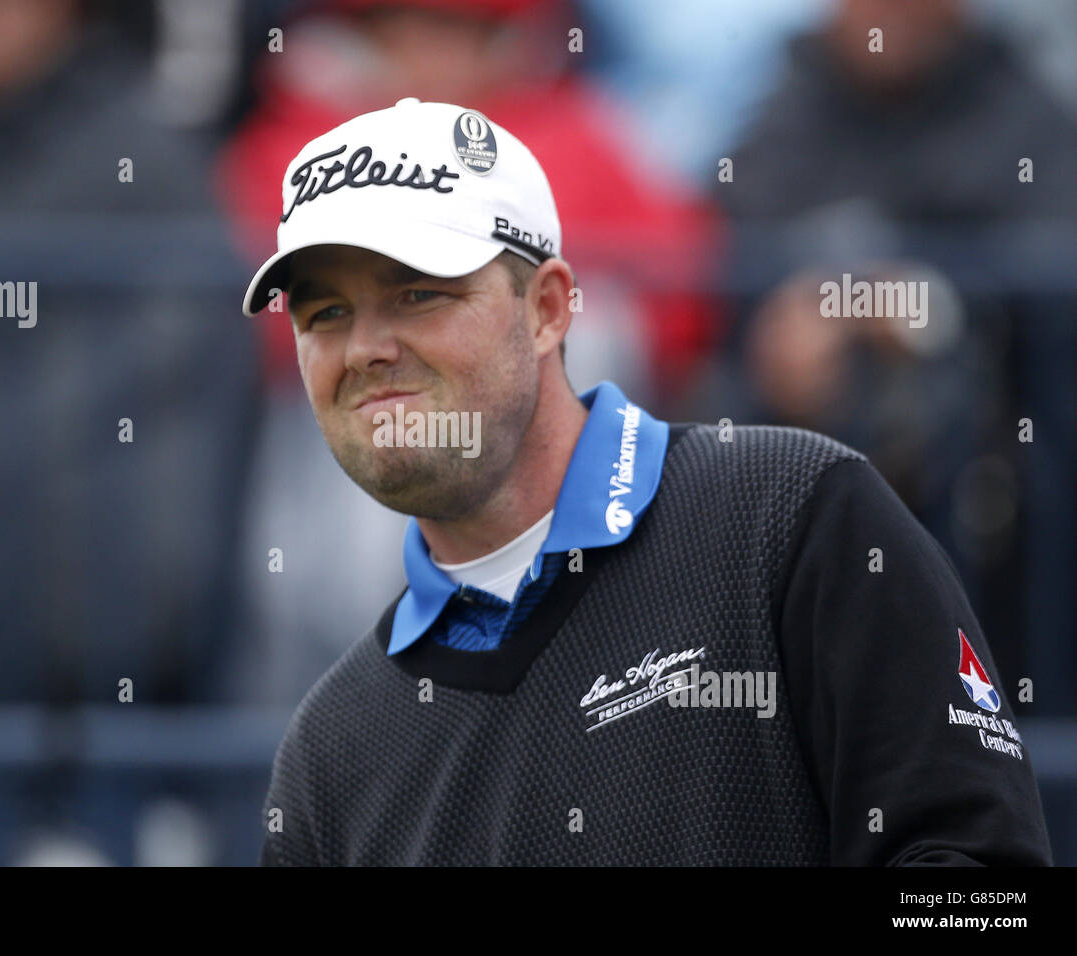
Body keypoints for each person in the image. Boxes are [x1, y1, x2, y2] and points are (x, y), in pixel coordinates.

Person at [244, 98, 1051, 866]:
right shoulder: (328, 756)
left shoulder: (795, 517)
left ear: (549, 309)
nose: (364, 348)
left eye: (416, 293)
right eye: (324, 315)